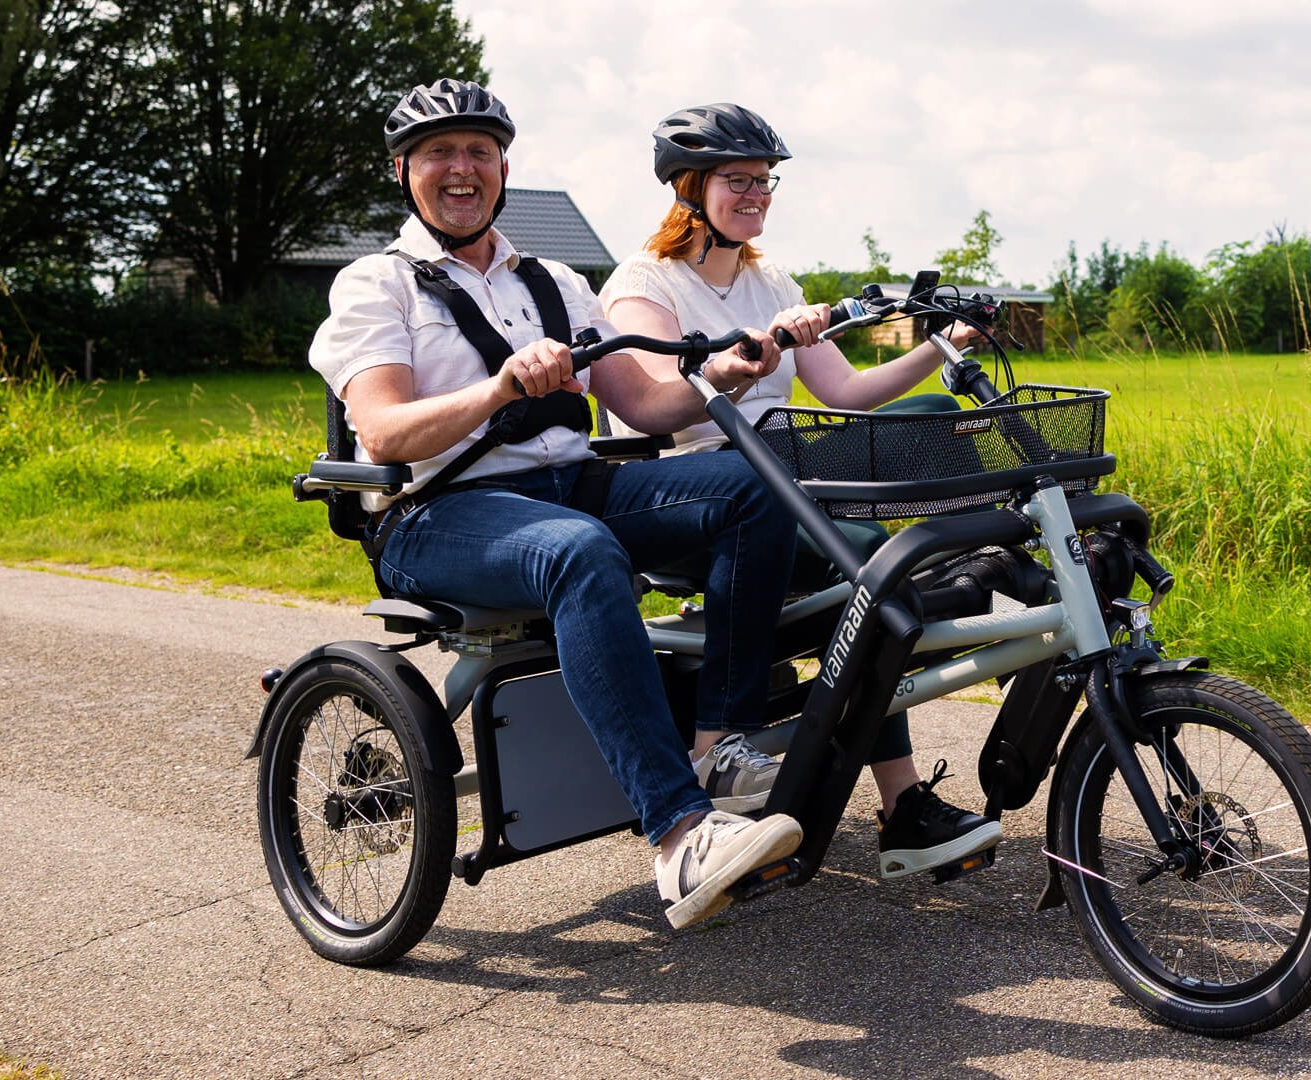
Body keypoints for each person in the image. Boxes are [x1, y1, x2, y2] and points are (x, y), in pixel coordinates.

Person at [307, 79, 803, 930]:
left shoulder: (560, 283)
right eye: (439, 154)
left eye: (479, 152)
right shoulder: (375, 286)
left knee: (758, 486)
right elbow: (385, 432)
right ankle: (680, 836)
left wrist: (721, 375)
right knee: (578, 551)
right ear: (403, 171)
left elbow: (646, 408)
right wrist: (498, 388)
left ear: (503, 166)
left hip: (569, 485)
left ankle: (717, 745)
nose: (461, 170)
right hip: (438, 515)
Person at [599, 103, 1002, 880]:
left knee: (936, 413)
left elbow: (847, 393)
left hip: (788, 474)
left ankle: (983, 570)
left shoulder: (770, 278)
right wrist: (752, 354)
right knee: (867, 561)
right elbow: (644, 402)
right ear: (688, 188)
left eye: (765, 182)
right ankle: (899, 801)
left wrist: (940, 347)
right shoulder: (644, 285)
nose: (755, 195)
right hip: (701, 489)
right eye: (737, 181)